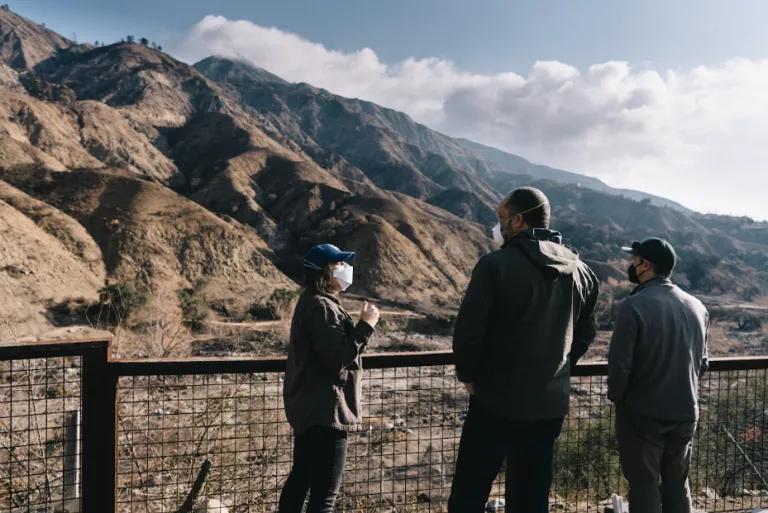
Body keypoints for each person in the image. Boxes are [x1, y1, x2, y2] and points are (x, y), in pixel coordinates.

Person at [449, 187, 600, 513]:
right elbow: (587, 331)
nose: (498, 225)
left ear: (518, 221)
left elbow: (468, 332)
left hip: (495, 402)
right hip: (548, 407)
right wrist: (559, 368)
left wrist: (469, 375)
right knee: (531, 498)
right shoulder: (582, 272)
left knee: (468, 495)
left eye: (501, 217)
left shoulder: (495, 265)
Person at [608, 238, 709, 513]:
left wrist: (619, 398)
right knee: (678, 484)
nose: (631, 264)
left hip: (643, 414)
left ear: (645, 265)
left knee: (644, 485)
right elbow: (702, 364)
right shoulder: (698, 307)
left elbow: (619, 364)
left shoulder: (634, 305)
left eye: (634, 260)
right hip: (686, 413)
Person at [279, 244, 380, 513]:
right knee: (325, 495)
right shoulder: (321, 307)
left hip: (312, 409)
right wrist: (366, 326)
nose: (345, 268)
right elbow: (337, 359)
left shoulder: (312, 302)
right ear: (324, 272)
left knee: (301, 479)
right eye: (339, 264)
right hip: (327, 412)